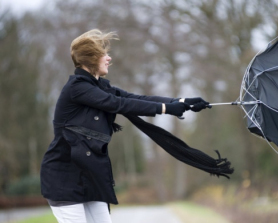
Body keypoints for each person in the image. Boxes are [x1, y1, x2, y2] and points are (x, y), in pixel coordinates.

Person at [40, 29, 210, 223]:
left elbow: (135, 98)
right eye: (104, 54)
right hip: (65, 178)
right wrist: (167, 109)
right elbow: (119, 104)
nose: (109, 58)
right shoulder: (77, 88)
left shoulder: (100, 86)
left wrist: (181, 101)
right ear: (91, 57)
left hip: (90, 176)